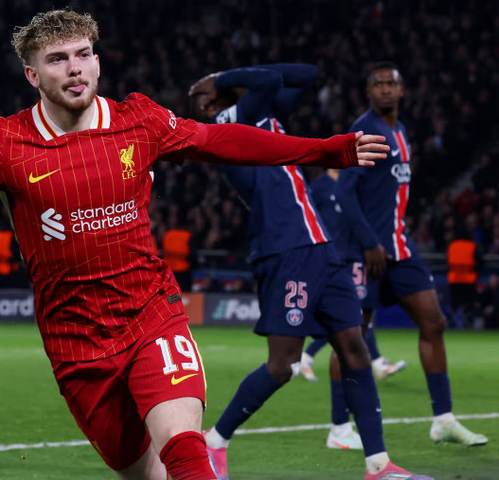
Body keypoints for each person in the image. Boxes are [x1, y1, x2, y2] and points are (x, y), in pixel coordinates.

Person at [0, 9, 387, 479]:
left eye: (84, 54)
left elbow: (225, 140)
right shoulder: (4, 144)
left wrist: (326, 148)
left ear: (97, 61)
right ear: (33, 74)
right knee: (142, 469)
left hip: (151, 313)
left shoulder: (139, 121)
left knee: (184, 449)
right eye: (57, 59)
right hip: (74, 339)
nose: (75, 68)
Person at [188, 64, 428, 480]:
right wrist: (222, 80)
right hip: (286, 250)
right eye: (202, 99)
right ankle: (214, 442)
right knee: (283, 364)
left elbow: (308, 74)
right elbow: (267, 81)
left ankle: (379, 465)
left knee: (354, 348)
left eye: (208, 94)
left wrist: (223, 77)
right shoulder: (228, 124)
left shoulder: (264, 115)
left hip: (320, 246)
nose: (207, 101)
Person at [336, 62, 487, 446]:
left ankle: (443, 419)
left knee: (434, 322)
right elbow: (345, 192)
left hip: (400, 247)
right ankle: (339, 428)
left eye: (392, 84)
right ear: (369, 91)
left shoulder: (400, 130)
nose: (386, 89)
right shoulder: (365, 129)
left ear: (402, 91)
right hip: (366, 252)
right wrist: (369, 242)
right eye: (379, 84)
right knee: (351, 337)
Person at [301, 169, 407, 383]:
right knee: (348, 316)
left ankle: (376, 362)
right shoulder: (319, 187)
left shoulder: (356, 186)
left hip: (353, 255)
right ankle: (309, 356)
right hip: (330, 257)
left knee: (356, 314)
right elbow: (308, 218)